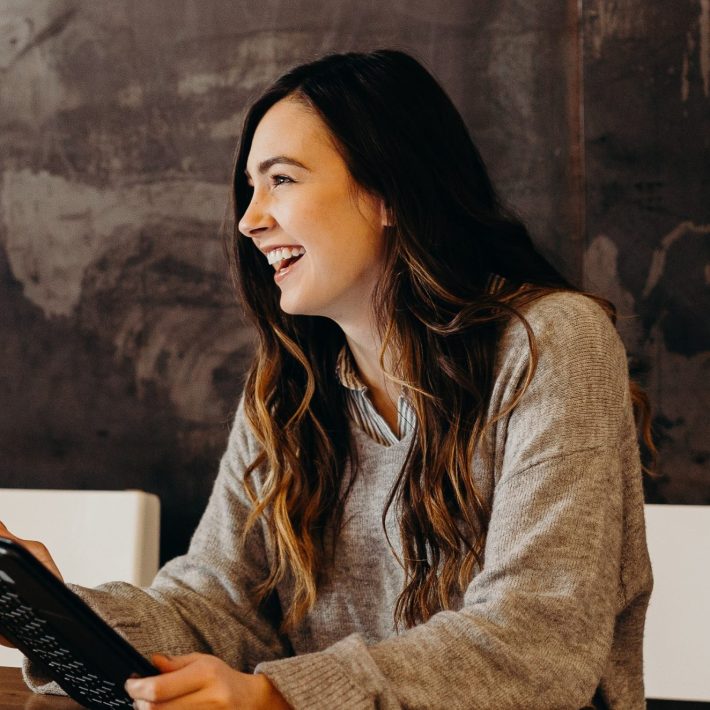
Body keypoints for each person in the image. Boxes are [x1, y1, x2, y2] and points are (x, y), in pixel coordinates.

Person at [1, 49, 654, 709]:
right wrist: (51, 615)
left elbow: (539, 641)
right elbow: (217, 607)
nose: (249, 219)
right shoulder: (287, 389)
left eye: (281, 179)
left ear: (389, 191)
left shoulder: (551, 342)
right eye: (250, 188)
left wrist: (275, 698)